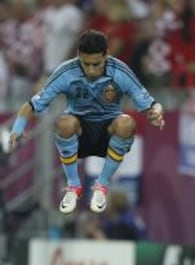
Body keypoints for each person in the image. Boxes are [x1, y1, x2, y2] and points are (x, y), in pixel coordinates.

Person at [8, 29, 165, 214]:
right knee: (64, 123)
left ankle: (101, 187)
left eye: (96, 64)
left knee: (127, 124)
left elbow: (151, 104)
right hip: (79, 133)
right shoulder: (66, 72)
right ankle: (73, 187)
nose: (90, 70)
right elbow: (32, 104)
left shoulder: (120, 71)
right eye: (86, 64)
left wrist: (156, 113)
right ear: (78, 56)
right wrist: (17, 128)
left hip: (108, 132)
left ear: (107, 55)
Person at [82, 189, 148, 240]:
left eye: (106, 202)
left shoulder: (125, 223)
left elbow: (117, 247)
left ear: (114, 206)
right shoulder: (112, 221)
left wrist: (96, 233)